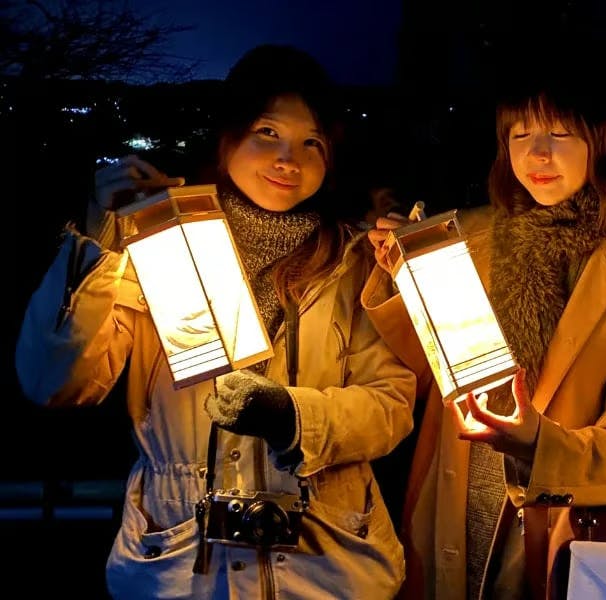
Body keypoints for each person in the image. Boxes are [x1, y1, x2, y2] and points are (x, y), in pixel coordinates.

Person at [15, 44, 416, 599]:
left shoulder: (355, 260)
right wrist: (96, 243)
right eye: (267, 133)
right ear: (227, 137)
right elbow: (54, 381)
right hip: (180, 565)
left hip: (327, 567)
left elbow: (391, 404)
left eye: (311, 143)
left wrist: (294, 416)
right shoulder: (161, 247)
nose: (288, 159)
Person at [362, 73, 606, 599]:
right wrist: (398, 271)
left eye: (559, 134)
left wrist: (540, 444)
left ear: (602, 143)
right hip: (454, 503)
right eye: (519, 135)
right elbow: (419, 375)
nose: (537, 153)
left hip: (564, 526)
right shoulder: (466, 239)